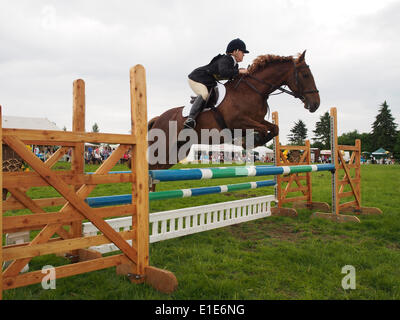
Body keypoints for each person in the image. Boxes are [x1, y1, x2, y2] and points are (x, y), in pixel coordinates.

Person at [184, 38, 250, 129]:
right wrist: (239, 72)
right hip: (196, 78)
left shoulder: (235, 64)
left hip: (208, 81)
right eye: (243, 52)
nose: (244, 55)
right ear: (236, 51)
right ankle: (190, 120)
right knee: (204, 94)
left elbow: (233, 78)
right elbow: (224, 73)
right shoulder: (226, 59)